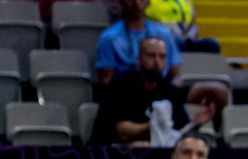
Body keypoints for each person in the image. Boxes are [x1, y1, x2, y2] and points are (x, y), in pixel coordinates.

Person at [91, 35, 224, 146]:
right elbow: (119, 131)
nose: (157, 62)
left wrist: (195, 124)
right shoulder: (120, 86)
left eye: (162, 57)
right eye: (151, 56)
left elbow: (178, 134)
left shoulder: (169, 90)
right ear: (139, 59)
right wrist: (156, 127)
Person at [95, 0, 183, 86]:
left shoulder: (164, 35)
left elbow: (175, 75)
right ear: (121, 0)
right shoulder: (109, 38)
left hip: (159, 93)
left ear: (148, 1)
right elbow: (105, 80)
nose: (137, 2)